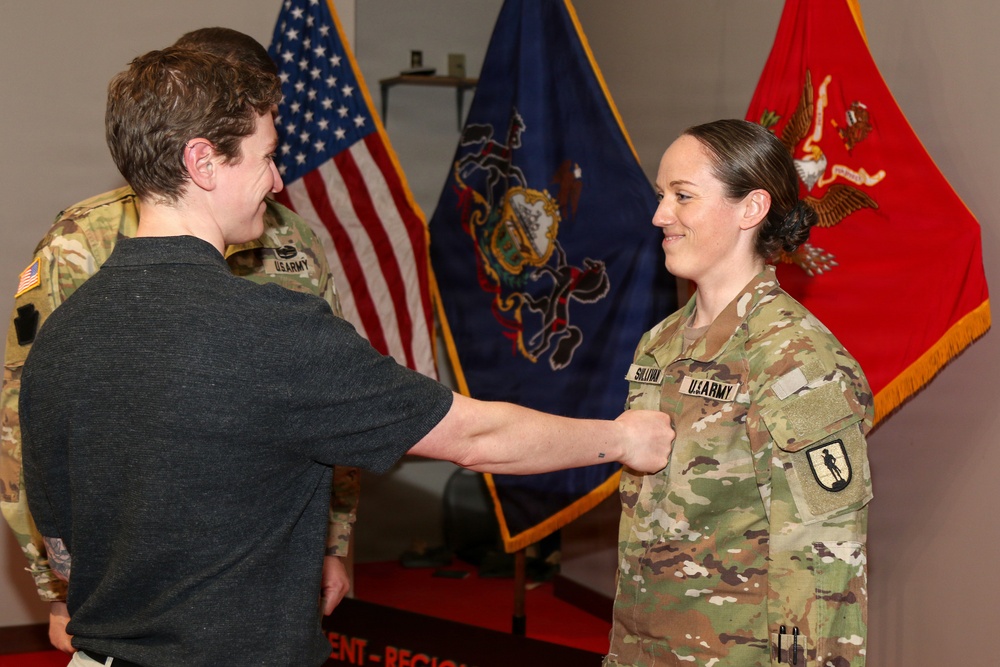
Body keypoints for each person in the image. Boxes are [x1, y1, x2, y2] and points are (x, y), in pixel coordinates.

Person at [19, 47, 674, 667]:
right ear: (203, 162)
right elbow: (477, 436)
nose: (277, 181)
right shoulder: (271, 329)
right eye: (267, 157)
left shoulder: (63, 332)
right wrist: (622, 436)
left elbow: (65, 550)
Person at [0, 28, 362, 655]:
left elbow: (332, 407)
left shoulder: (291, 241)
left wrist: (333, 545)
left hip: (257, 595)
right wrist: (56, 587)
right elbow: (26, 420)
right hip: (136, 595)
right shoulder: (82, 243)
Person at [604, 119, 873, 667]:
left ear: (751, 209)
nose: (660, 215)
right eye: (662, 196)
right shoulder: (659, 345)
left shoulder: (794, 356)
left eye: (682, 196)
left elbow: (825, 556)